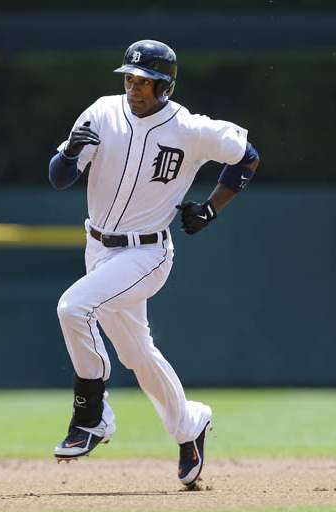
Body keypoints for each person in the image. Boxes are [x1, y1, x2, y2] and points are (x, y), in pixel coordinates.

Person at [47, 39, 260, 487]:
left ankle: (92, 416)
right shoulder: (102, 112)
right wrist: (66, 155)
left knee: (73, 308)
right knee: (137, 355)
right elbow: (60, 179)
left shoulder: (190, 128)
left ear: (166, 86)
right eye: (130, 78)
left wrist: (211, 209)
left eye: (145, 81)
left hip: (147, 253)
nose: (135, 87)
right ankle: (190, 425)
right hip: (98, 248)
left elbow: (247, 157)